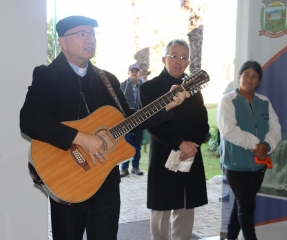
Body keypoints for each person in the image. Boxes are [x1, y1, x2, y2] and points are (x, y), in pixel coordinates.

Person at [19, 16, 189, 240]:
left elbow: (128, 118)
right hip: (66, 179)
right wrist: (80, 138)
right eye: (81, 34)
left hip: (106, 180)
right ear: (63, 42)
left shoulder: (106, 79)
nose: (89, 39)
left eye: (91, 34)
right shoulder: (47, 76)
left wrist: (166, 105)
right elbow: (30, 120)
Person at [139, 39, 209, 240]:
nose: (179, 61)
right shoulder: (149, 89)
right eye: (174, 56)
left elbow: (203, 122)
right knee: (161, 214)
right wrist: (180, 144)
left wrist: (191, 146)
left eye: (184, 57)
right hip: (164, 155)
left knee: (185, 212)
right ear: (164, 59)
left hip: (190, 156)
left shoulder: (194, 87)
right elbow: (153, 124)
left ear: (188, 63)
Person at [217, 61, 281, 240]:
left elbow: (275, 129)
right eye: (246, 74)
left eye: (254, 76)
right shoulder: (227, 101)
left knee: (242, 203)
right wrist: (256, 145)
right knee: (247, 206)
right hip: (236, 165)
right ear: (239, 77)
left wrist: (267, 145)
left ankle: (230, 237)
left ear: (259, 81)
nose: (249, 79)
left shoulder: (264, 102)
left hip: (258, 166)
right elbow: (229, 130)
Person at [119, 63, 144, 177]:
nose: (134, 73)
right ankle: (124, 168)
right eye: (132, 71)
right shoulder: (122, 86)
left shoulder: (144, 87)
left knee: (137, 146)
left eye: (136, 71)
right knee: (126, 145)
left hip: (140, 121)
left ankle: (135, 167)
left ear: (139, 74)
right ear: (128, 73)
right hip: (126, 122)